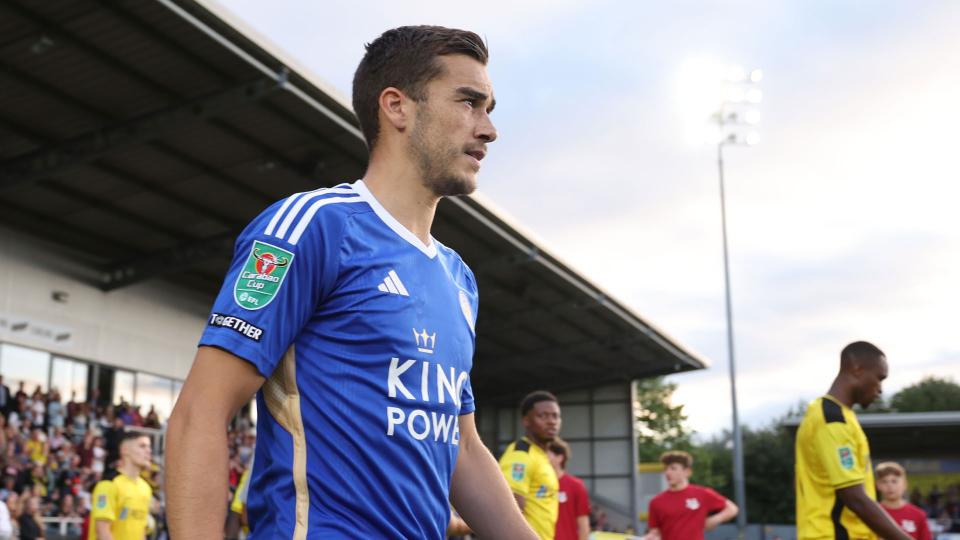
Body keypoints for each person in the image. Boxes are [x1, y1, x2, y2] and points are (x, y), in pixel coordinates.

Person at [166, 25, 536, 539]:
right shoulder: (312, 225)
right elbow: (201, 412)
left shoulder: (459, 278)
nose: (489, 128)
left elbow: (462, 447)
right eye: (469, 102)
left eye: (490, 108)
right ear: (397, 107)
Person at [795, 341, 912, 540]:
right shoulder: (832, 420)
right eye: (879, 378)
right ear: (857, 369)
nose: (880, 389)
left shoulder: (841, 416)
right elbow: (854, 497)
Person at [499, 391, 562, 540]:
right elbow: (511, 508)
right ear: (526, 421)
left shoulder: (540, 455)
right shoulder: (521, 455)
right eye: (543, 416)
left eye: (555, 416)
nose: (552, 421)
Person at [642, 451, 738, 540]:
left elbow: (732, 508)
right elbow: (655, 532)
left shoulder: (703, 494)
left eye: (673, 468)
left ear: (687, 471)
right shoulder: (656, 502)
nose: (667, 472)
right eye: (666, 468)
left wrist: (714, 520)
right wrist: (650, 537)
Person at [88, 431, 153, 540]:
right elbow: (103, 532)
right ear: (125, 450)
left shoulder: (146, 488)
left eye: (149, 447)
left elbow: (141, 532)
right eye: (142, 446)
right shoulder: (109, 484)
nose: (149, 451)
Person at [547, 438, 591, 540]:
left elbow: (583, 523)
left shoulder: (576, 485)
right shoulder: (537, 485)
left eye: (547, 454)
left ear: (559, 458)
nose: (542, 457)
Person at [876, 462, 932, 540]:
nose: (889, 486)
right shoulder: (872, 513)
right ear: (878, 485)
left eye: (894, 481)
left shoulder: (918, 515)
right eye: (884, 481)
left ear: (905, 484)